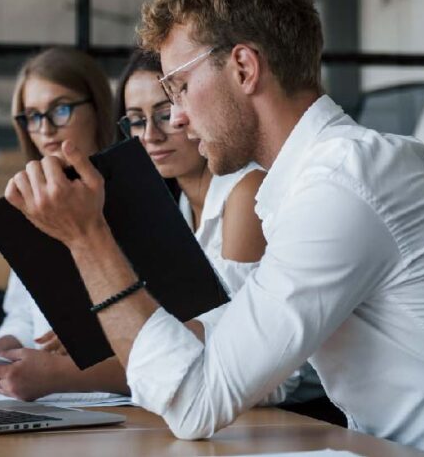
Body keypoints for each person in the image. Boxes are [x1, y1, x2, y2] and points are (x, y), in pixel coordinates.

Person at [0, 0, 424, 457]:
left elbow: (195, 403)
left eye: (180, 87)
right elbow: (222, 341)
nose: (178, 117)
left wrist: (88, 237)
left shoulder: (342, 182)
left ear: (243, 68)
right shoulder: (303, 182)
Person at [114, 50, 328, 410]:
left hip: (301, 412)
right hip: (231, 407)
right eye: (136, 121)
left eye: (165, 114)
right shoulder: (178, 210)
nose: (150, 135)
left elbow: (249, 359)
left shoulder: (246, 191)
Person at [0, 47, 127, 401]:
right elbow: (22, 314)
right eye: (33, 116)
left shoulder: (136, 195)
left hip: (121, 402)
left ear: (99, 108)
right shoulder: (29, 204)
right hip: (49, 400)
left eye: (60, 109)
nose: (46, 129)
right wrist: (3, 352)